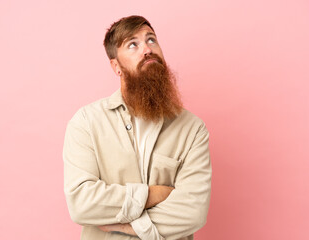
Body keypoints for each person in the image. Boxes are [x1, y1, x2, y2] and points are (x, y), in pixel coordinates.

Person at [63, 15, 211, 240]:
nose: (147, 49)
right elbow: (81, 203)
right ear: (116, 66)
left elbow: (193, 212)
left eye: (151, 40)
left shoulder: (192, 129)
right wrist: (152, 194)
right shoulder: (86, 122)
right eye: (133, 44)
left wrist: (128, 226)